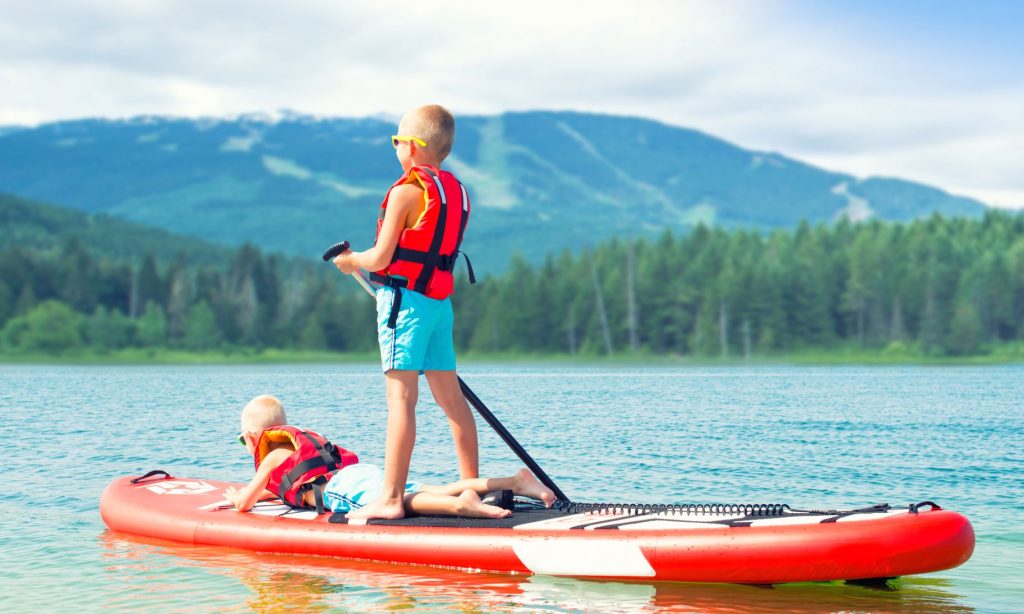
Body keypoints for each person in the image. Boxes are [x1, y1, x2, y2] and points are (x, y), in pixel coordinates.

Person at [332, 104, 479, 520]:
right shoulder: (457, 191)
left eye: (397, 140)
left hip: (403, 305)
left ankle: (392, 498)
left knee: (401, 401)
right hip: (438, 304)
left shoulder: (405, 191)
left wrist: (351, 260)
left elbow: (379, 258)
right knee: (452, 401)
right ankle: (469, 490)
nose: (395, 147)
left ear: (412, 147)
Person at [225, 395, 554, 519]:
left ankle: (462, 506)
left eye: (245, 442)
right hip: (362, 473)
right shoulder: (296, 444)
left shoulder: (270, 457)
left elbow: (244, 504)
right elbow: (283, 486)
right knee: (430, 488)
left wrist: (238, 496)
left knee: (407, 502)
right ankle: (516, 480)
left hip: (342, 491)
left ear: (254, 437)